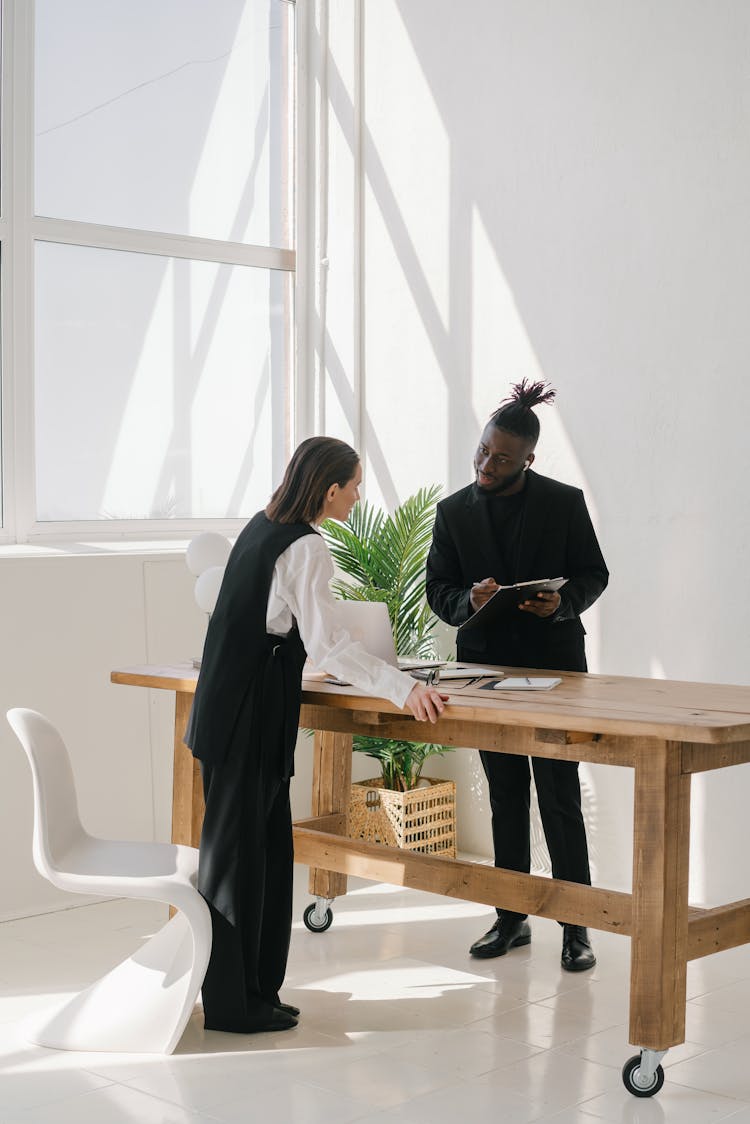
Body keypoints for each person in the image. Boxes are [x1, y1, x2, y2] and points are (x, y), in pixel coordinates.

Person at [185, 437, 448, 1034]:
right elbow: (328, 645)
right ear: (331, 489)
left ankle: (256, 992)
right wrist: (403, 688)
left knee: (264, 852)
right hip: (248, 717)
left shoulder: (262, 525)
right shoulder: (306, 545)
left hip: (232, 711)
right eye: (355, 486)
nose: (358, 497)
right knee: (239, 862)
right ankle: (234, 1005)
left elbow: (273, 627)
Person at [425, 380, 608, 972]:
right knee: (505, 792)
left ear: (528, 458)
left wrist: (563, 603)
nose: (485, 464)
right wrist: (469, 603)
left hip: (556, 669)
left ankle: (575, 927)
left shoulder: (565, 502)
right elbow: (439, 592)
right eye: (482, 450)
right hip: (484, 669)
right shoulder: (452, 511)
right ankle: (509, 917)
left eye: (501, 458)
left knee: (559, 795)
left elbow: (593, 573)